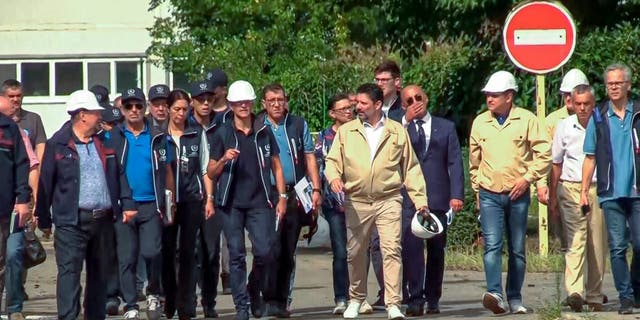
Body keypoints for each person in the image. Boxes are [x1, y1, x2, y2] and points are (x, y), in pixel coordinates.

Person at [324, 83, 428, 320]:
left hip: (388, 199)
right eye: (356, 102)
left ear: (378, 105)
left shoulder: (396, 130)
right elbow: (332, 161)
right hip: (357, 201)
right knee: (356, 252)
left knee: (391, 250)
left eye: (362, 103)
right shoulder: (347, 131)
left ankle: (393, 303)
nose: (356, 107)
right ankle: (356, 299)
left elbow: (410, 167)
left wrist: (420, 199)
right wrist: (334, 179)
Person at [35, 90, 135, 320]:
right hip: (71, 221)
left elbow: (119, 175)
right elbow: (46, 182)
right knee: (70, 274)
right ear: (82, 115)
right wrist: (44, 218)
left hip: (103, 220)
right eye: (95, 112)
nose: (99, 116)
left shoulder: (104, 143)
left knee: (99, 276)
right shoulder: (57, 145)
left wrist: (127, 202)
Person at [469, 70, 551, 315]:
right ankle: (495, 294)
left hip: (518, 195)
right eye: (487, 95)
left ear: (509, 96)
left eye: (494, 95)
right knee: (492, 245)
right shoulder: (480, 122)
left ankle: (514, 297)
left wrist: (527, 179)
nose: (489, 100)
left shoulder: (527, 120)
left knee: (517, 248)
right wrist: (477, 189)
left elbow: (544, 153)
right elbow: (474, 161)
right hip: (489, 194)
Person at [207, 80, 287, 320]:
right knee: (236, 254)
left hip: (260, 202)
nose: (243, 105)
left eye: (246, 101)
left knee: (265, 251)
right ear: (230, 105)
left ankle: (254, 289)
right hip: (230, 203)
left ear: (252, 103)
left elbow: (277, 165)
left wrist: (282, 197)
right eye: (238, 102)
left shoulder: (263, 131)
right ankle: (242, 306)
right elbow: (211, 172)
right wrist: (223, 160)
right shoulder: (221, 133)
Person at [257, 83, 322, 318]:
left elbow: (309, 156)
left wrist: (316, 188)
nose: (276, 104)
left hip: (295, 192)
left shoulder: (297, 124)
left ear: (286, 101)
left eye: (280, 99)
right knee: (268, 249)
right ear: (263, 103)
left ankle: (280, 301)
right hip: (268, 194)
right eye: (271, 100)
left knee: (287, 250)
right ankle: (263, 296)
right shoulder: (257, 125)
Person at [399, 85, 464, 316]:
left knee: (437, 249)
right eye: (408, 100)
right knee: (412, 249)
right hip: (410, 197)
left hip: (438, 197)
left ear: (426, 97)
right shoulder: (399, 127)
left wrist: (456, 194)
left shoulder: (445, 127)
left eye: (418, 97)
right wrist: (406, 120)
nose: (415, 102)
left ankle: (433, 297)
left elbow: (454, 162)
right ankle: (415, 298)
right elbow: (392, 147)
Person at [581, 63, 640, 314]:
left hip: (637, 192)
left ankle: (637, 289)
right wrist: (584, 190)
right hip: (610, 192)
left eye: (618, 83)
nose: (613, 87)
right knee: (617, 247)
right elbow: (590, 156)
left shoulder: (638, 113)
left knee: (638, 244)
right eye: (609, 84)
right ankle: (626, 297)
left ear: (628, 85)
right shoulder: (598, 115)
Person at [109, 87, 168, 320]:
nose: (134, 110)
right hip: (124, 206)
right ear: (121, 109)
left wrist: (168, 200)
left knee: (152, 252)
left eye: (138, 106)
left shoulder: (156, 135)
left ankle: (154, 294)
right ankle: (130, 303)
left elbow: (168, 171)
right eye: (128, 106)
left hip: (151, 204)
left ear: (145, 108)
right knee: (127, 257)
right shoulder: (113, 136)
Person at [549, 84, 607, 312]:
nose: (582, 108)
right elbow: (556, 163)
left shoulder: (603, 124)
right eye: (578, 103)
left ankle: (594, 295)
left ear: (594, 104)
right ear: (571, 103)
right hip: (570, 187)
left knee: (597, 243)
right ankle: (574, 291)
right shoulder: (564, 126)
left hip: (598, 188)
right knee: (575, 239)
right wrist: (553, 195)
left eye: (587, 104)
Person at [162, 89, 211, 319]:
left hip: (191, 199)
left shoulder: (195, 133)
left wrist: (208, 198)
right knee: (167, 251)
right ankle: (168, 298)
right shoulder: (159, 135)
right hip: (167, 201)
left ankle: (186, 303)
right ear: (168, 109)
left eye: (184, 109)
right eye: (177, 109)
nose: (181, 114)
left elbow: (204, 169)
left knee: (189, 252)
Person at [314, 93, 354, 314]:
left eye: (350, 107)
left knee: (359, 250)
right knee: (340, 250)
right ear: (332, 113)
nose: (349, 111)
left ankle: (360, 295)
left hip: (359, 200)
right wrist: (317, 194)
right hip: (333, 203)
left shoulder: (360, 131)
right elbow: (319, 168)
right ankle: (341, 297)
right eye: (343, 109)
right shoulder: (324, 137)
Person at [544, 69, 590, 250]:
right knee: (569, 242)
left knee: (591, 241)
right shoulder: (553, 121)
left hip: (591, 186)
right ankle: (571, 275)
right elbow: (545, 157)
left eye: (572, 94)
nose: (569, 99)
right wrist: (542, 186)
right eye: (565, 95)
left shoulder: (596, 118)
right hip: (563, 186)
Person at [0, 95, 31, 320]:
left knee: (13, 255)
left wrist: (23, 200)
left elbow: (22, 164)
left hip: (10, 209)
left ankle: (14, 308)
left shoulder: (9, 128)